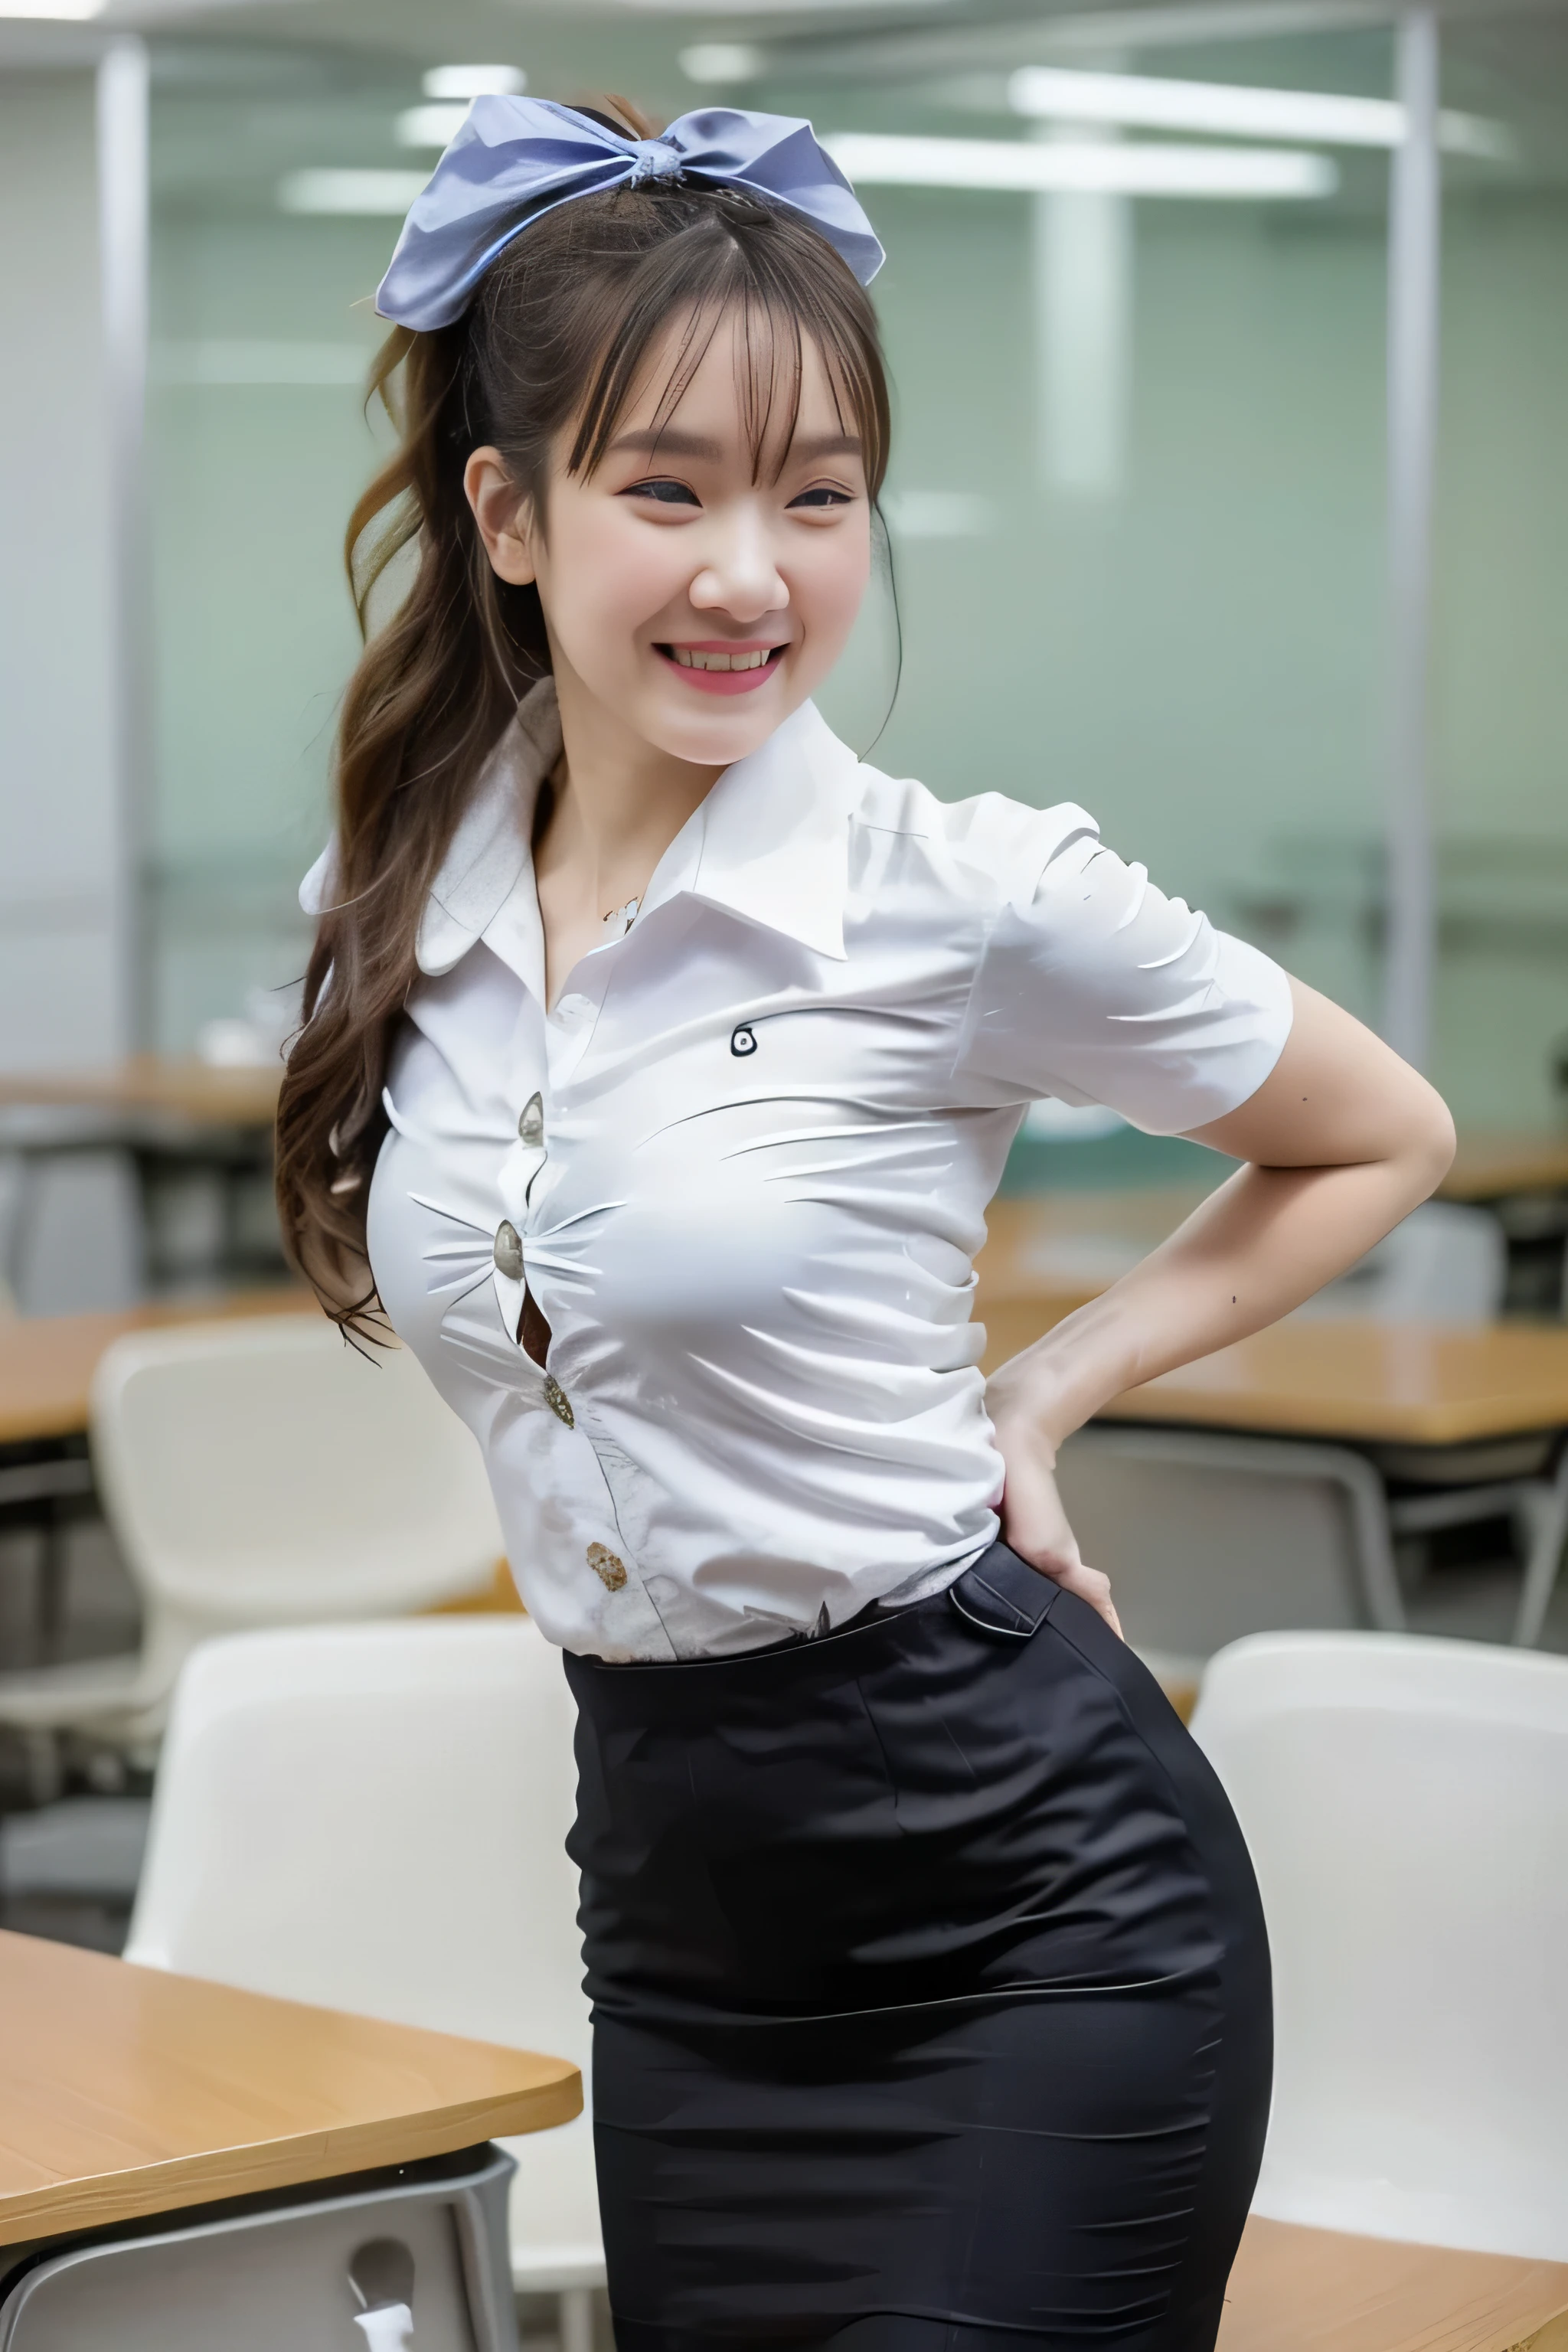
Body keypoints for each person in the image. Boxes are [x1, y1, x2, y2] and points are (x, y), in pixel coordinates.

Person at [276, 95, 1455, 2352]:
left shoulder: (960, 897)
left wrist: (1051, 1382)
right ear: (506, 517)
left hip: (1040, 1902)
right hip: (683, 1927)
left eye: (821, 497)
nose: (755, 574)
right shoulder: (395, 913)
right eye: (670, 490)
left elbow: (1374, 1132)